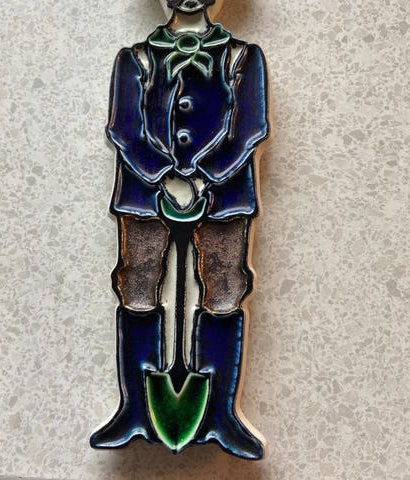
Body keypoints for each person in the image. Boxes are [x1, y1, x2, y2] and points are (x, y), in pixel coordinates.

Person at [90, 0, 270, 459]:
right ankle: (135, 410)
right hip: (143, 194)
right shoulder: (135, 58)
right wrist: (165, 176)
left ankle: (221, 415)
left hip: (225, 195)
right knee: (136, 283)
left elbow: (249, 129)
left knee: (225, 287)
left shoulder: (243, 57)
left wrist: (204, 178)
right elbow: (124, 129)